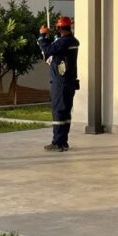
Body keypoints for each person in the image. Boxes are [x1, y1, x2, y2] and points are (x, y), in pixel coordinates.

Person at [38, 16, 80, 152]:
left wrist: (42, 36)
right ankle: (63, 141)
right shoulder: (72, 41)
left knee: (58, 112)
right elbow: (55, 49)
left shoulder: (64, 42)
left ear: (60, 28)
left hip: (60, 83)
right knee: (65, 113)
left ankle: (58, 143)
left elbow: (48, 50)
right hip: (69, 82)